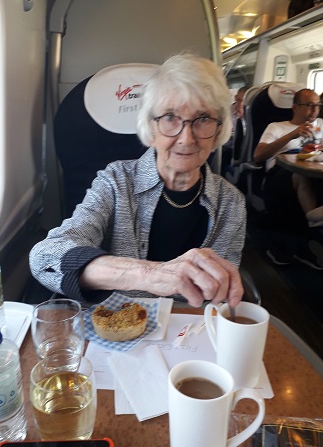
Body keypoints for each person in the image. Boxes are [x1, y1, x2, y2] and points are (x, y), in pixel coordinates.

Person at [29, 54, 246, 308]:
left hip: (191, 331)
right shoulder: (116, 182)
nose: (186, 138)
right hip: (118, 326)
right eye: (170, 117)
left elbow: (220, 300)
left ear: (219, 130)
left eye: (203, 119)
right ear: (150, 128)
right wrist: (150, 275)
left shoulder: (231, 203)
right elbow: (45, 258)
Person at [253, 88, 323, 269]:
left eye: (317, 105)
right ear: (295, 107)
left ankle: (308, 236)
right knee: (300, 174)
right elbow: (258, 156)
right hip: (280, 173)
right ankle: (314, 223)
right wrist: (292, 135)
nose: (314, 109)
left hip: (315, 169)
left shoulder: (321, 124)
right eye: (309, 105)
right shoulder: (276, 127)